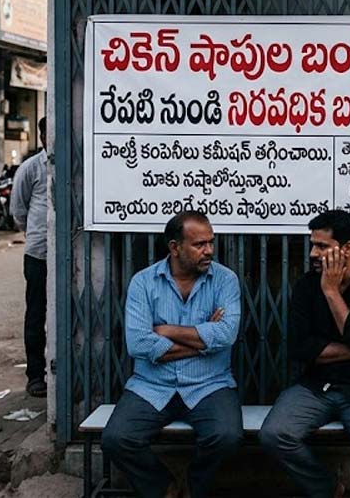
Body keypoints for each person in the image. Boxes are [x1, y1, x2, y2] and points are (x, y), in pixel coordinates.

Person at [101, 211, 242, 498]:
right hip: (152, 385)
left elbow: (226, 335)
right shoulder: (144, 282)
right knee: (116, 439)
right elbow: (139, 345)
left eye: (210, 242)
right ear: (175, 247)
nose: (209, 251)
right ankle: (164, 487)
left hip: (210, 383)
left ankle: (193, 486)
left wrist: (165, 330)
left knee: (227, 437)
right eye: (199, 244)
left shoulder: (225, 280)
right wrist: (202, 339)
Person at [261, 209, 350, 498]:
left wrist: (332, 293)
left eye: (321, 246)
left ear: (347, 248)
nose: (313, 253)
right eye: (313, 244)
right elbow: (300, 349)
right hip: (316, 386)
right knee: (274, 435)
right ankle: (326, 489)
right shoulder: (306, 286)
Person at [10, 119, 49, 398]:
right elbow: (18, 210)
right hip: (39, 254)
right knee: (36, 314)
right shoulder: (31, 167)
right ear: (42, 135)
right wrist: (36, 234)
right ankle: (35, 375)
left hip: (72, 255)